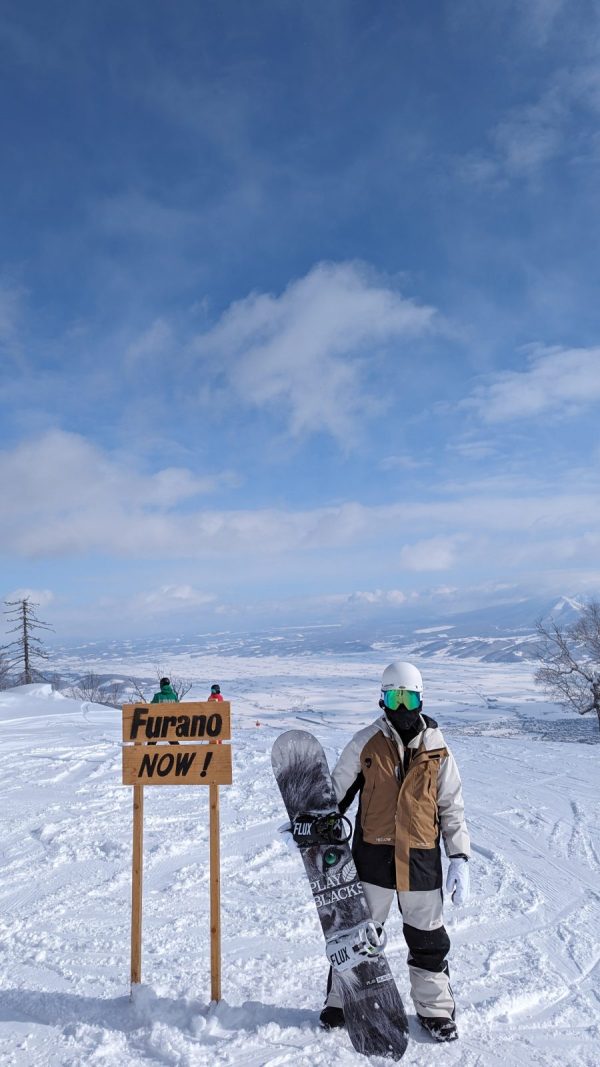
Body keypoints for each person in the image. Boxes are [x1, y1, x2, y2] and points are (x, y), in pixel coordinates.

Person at [320, 660, 470, 1043]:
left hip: (420, 859)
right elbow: (336, 792)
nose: (401, 708)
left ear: (421, 700)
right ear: (382, 699)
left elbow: (451, 806)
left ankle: (435, 1011)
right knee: (358, 935)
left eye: (408, 699)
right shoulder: (366, 742)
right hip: (372, 855)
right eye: (393, 699)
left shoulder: (437, 748)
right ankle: (342, 1000)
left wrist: (459, 857)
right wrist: (313, 823)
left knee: (428, 939)